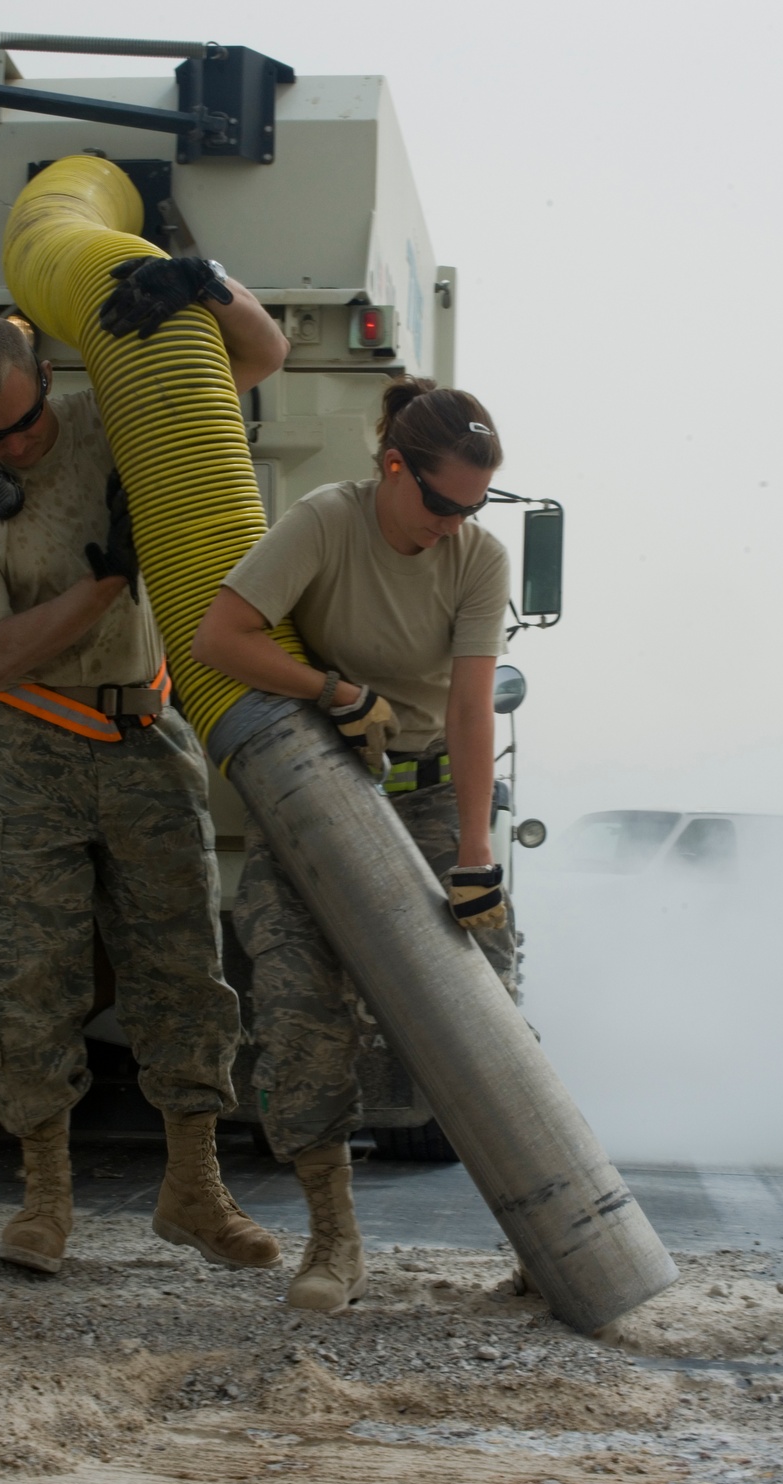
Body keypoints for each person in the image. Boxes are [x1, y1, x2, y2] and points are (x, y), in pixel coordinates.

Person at [0, 258, 290, 1277]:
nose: (15, 444)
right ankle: (45, 1201)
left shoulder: (106, 418)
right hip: (27, 747)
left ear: (44, 377)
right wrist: (102, 591)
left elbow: (260, 355)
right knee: (21, 974)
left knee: (181, 966)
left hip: (143, 731)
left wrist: (210, 284)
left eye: (24, 421)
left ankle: (194, 1192)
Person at [191, 377, 515, 1313]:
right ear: (392, 468)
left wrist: (471, 852)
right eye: (441, 501)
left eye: (473, 506)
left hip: (424, 796)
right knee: (296, 1013)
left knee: (484, 1023)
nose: (453, 523)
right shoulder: (326, 523)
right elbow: (220, 636)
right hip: (321, 788)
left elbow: (468, 704)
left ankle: (541, 1235)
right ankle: (332, 1241)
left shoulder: (477, 558)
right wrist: (330, 690)